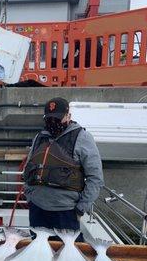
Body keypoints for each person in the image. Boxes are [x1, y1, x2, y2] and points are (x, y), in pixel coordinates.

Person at [23, 97, 104, 239]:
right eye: (49, 119)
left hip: (66, 212)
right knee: (39, 254)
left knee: (66, 256)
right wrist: (29, 196)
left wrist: (80, 209)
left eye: (57, 118)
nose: (53, 123)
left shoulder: (82, 137)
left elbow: (95, 178)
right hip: (37, 210)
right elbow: (28, 168)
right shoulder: (39, 138)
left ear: (68, 116)